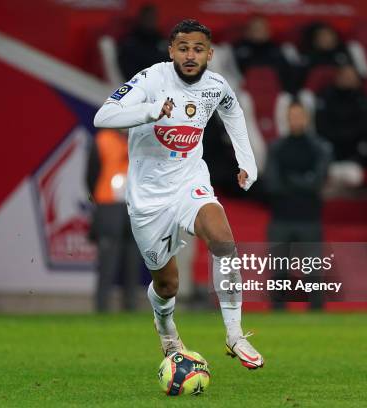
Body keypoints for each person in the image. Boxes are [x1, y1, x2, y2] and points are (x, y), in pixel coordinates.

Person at [94, 19, 263, 370]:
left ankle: (234, 334)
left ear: (209, 54)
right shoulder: (151, 79)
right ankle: (166, 325)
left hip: (189, 183)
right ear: (171, 51)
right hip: (148, 197)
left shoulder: (216, 85)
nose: (190, 55)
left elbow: (233, 112)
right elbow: (103, 116)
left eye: (198, 49)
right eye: (183, 48)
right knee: (168, 285)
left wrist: (247, 162)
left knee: (223, 240)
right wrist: (150, 111)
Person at [265, 102, 332, 310]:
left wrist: (290, 180)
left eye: (299, 116)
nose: (296, 120)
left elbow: (317, 181)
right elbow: (272, 183)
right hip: (281, 217)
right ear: (287, 118)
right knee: (278, 270)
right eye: (292, 116)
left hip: (309, 217)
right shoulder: (276, 147)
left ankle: (317, 312)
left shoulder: (319, 147)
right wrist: (304, 180)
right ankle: (278, 313)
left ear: (306, 118)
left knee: (313, 270)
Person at [86, 128, 141, 312]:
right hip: (109, 205)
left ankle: (131, 307)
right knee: (108, 259)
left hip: (135, 205)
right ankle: (101, 307)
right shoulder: (103, 139)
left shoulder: (142, 137)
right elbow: (91, 175)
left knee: (133, 259)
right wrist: (99, 201)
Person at [315, 65, 367, 162]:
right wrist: (338, 137)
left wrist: (350, 137)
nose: (348, 80)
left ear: (357, 80)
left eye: (351, 77)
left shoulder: (362, 99)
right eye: (345, 76)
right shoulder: (326, 95)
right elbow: (321, 124)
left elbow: (365, 124)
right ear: (337, 77)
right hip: (331, 143)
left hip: (354, 145)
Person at [232, 16, 295, 91]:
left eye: (262, 28)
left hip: (275, 91)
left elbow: (286, 74)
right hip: (244, 91)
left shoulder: (278, 50)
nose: (258, 32)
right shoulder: (237, 50)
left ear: (269, 31)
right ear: (247, 31)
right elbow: (233, 72)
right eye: (255, 29)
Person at [117, 4, 168, 79]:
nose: (150, 21)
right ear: (141, 19)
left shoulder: (162, 40)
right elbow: (128, 69)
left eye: (152, 18)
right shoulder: (130, 42)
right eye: (147, 18)